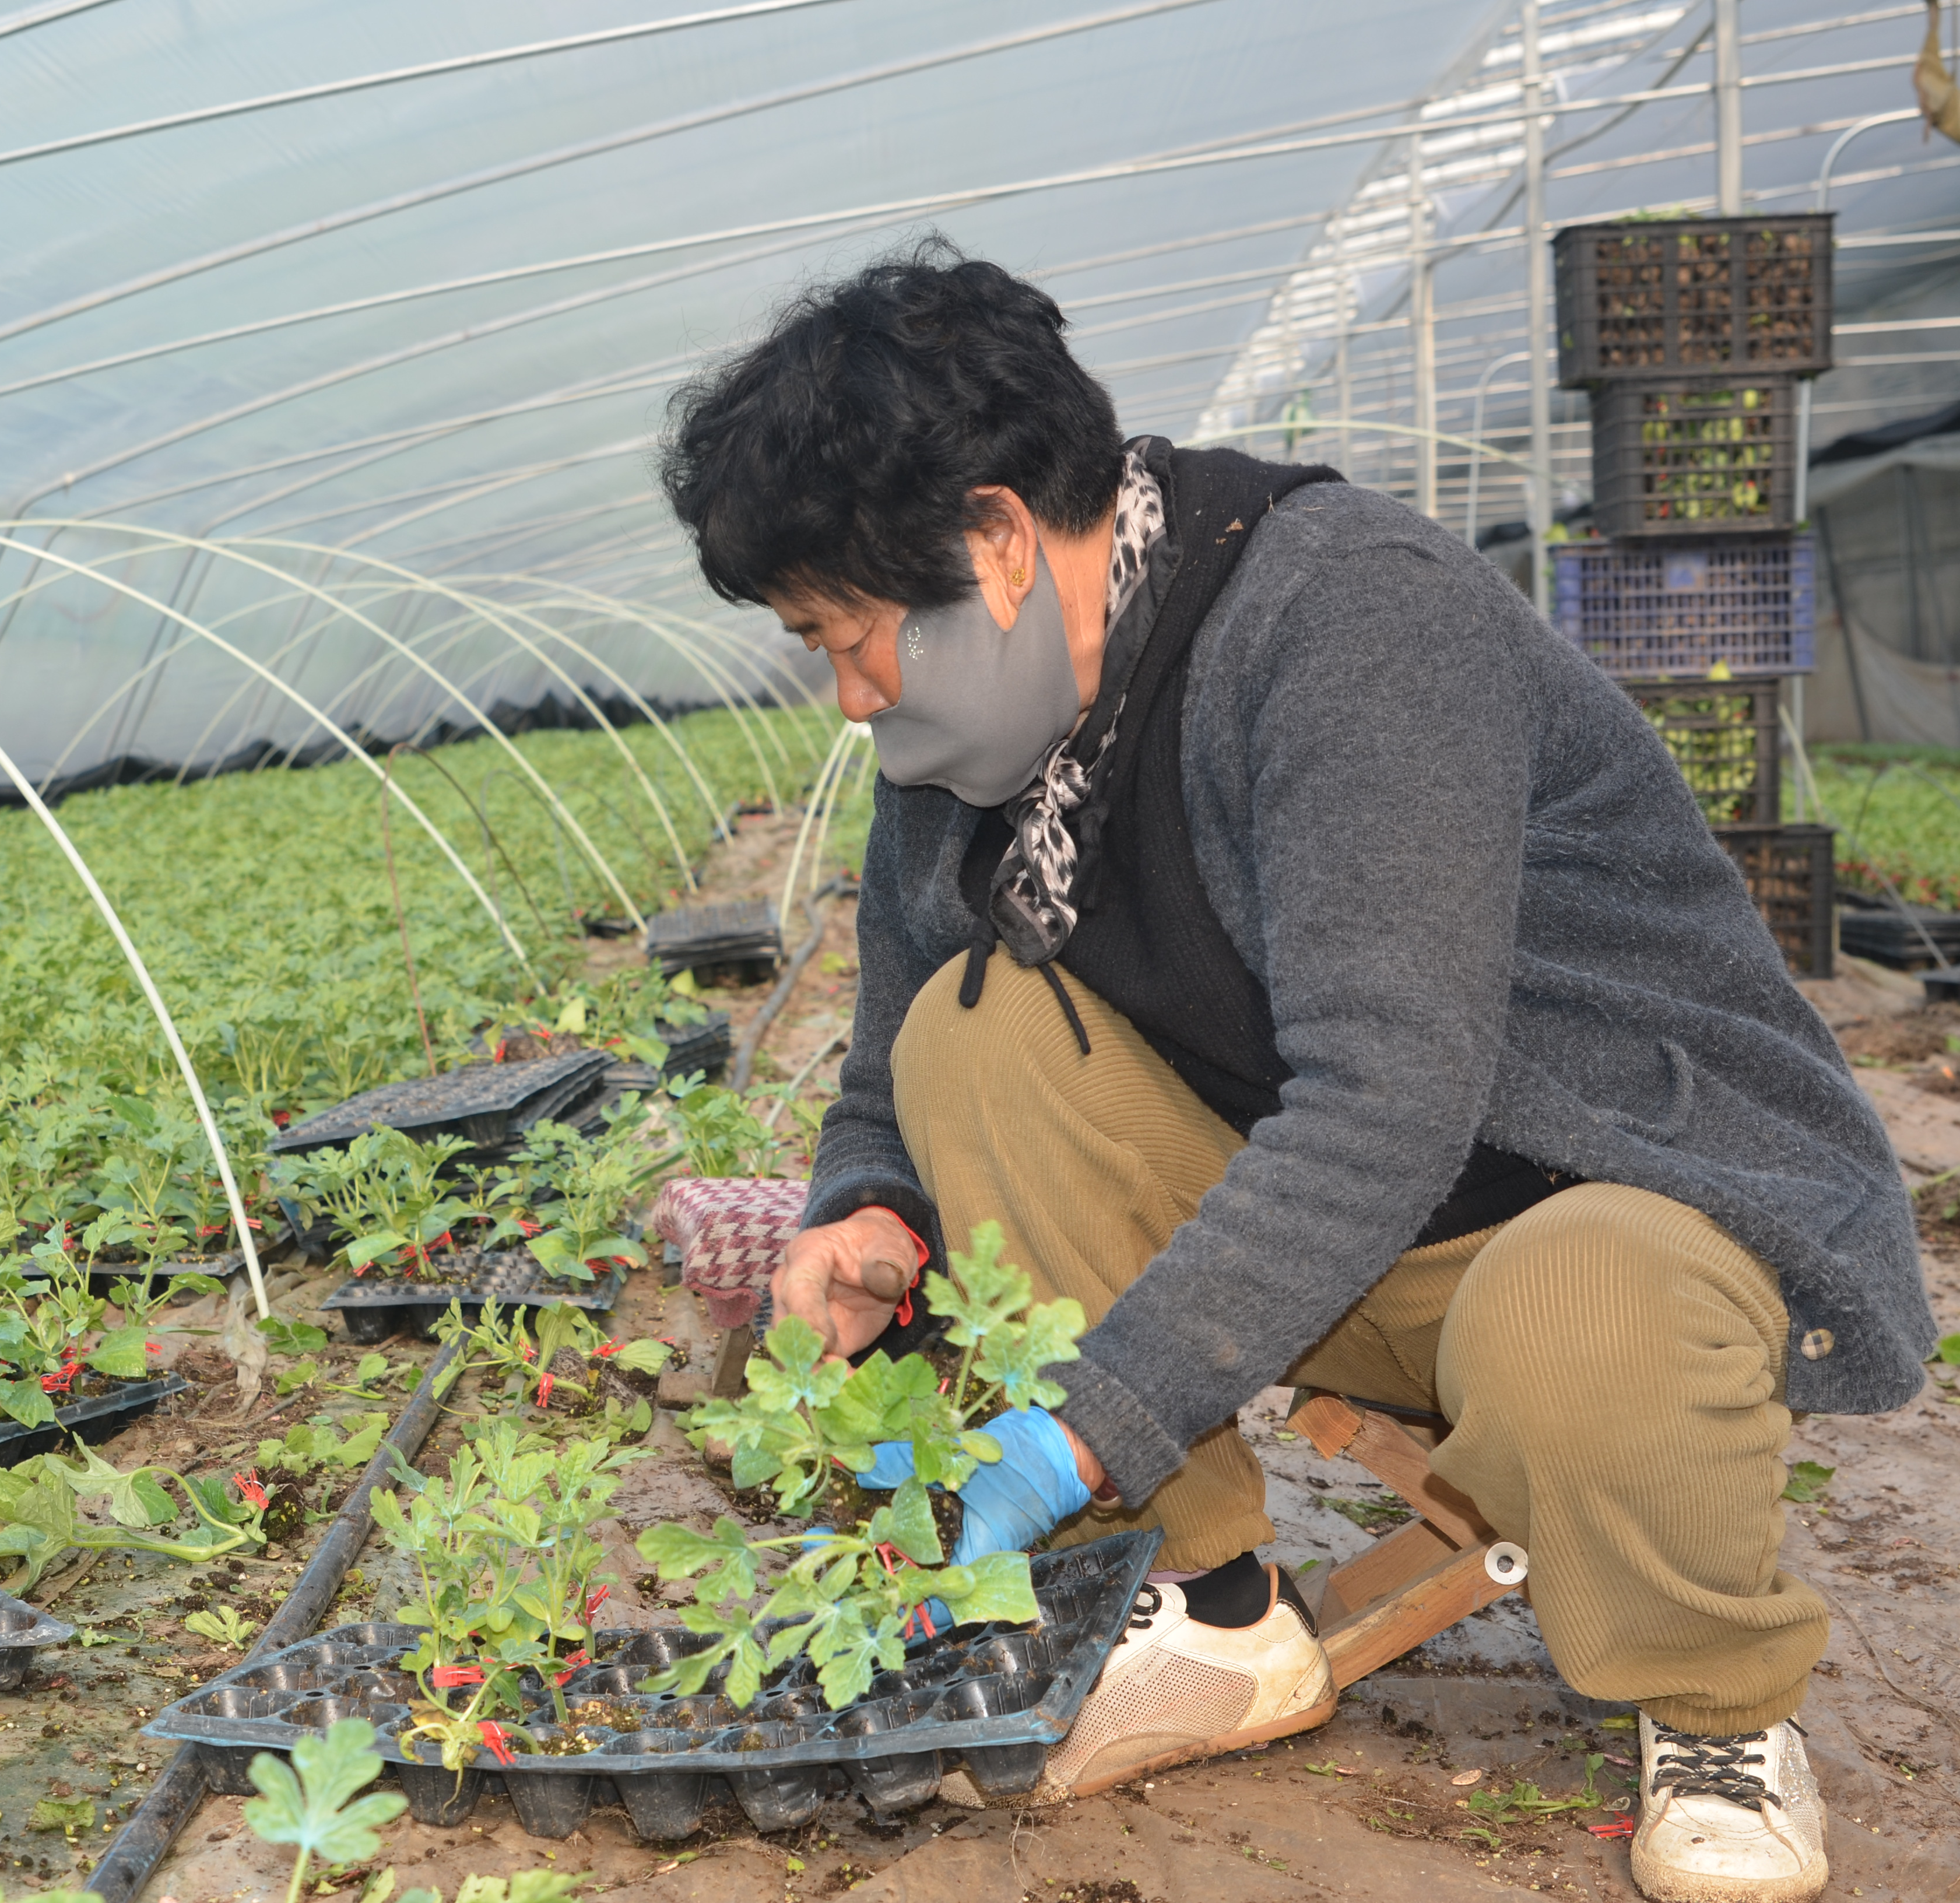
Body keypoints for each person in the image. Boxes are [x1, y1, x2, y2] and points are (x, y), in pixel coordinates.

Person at [657, 241, 1932, 1903]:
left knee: (1582, 1310)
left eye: (851, 635)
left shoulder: (1347, 624)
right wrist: (868, 1209)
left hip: (1597, 1199)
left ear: (995, 541)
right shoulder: (972, 744)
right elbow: (898, 1066)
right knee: (980, 1033)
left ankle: (1714, 1709)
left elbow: (1389, 1094)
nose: (847, 696)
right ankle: (1215, 1613)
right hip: (1313, 1235)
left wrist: (1082, 1429)